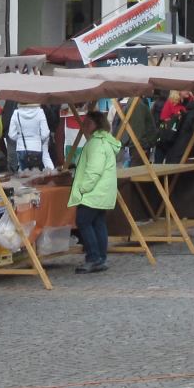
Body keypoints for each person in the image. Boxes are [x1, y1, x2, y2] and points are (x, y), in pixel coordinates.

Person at [69, 109, 121, 273]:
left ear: (95, 124)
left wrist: (83, 188)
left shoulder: (96, 144)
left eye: (88, 122)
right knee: (98, 223)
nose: (84, 125)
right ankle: (100, 258)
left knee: (83, 221)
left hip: (94, 192)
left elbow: (94, 171)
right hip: (102, 191)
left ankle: (93, 258)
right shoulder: (105, 141)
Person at [8, 100, 53, 172]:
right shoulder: (40, 112)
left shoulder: (16, 113)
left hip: (21, 148)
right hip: (37, 147)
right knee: (37, 173)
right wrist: (38, 139)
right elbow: (45, 133)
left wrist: (20, 139)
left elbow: (11, 134)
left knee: (24, 175)